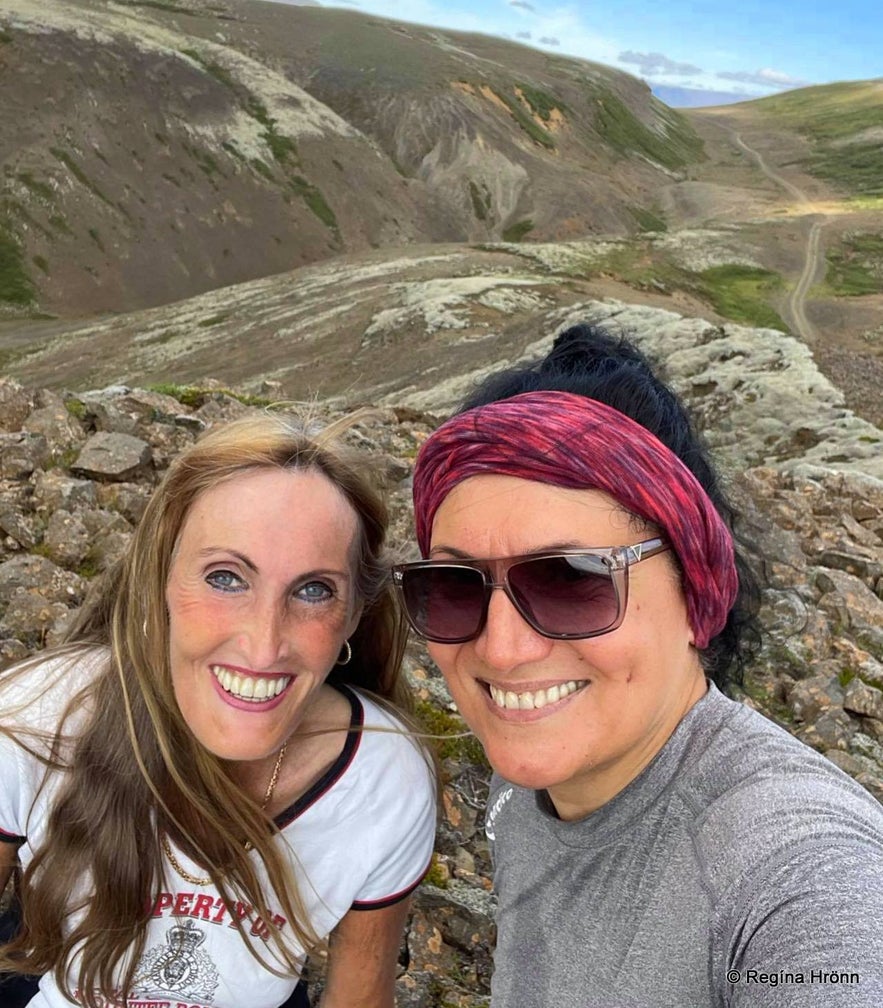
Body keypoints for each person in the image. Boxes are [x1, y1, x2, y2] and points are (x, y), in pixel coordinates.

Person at [394, 324, 883, 1007]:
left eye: (569, 581)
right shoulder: (527, 792)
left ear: (694, 594)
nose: (501, 648)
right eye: (451, 585)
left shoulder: (798, 874)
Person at [0, 412, 436, 1008]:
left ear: (355, 615)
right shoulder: (37, 718)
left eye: (313, 590)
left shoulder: (384, 777)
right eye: (225, 578)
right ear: (160, 580)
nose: (263, 645)